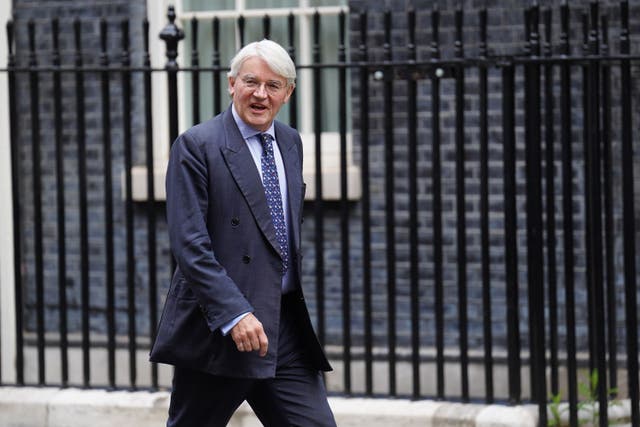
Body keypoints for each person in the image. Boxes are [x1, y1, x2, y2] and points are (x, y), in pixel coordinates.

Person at [149, 39, 337, 427]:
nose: (260, 94)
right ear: (231, 83)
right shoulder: (197, 145)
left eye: (273, 85)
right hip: (219, 328)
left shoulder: (290, 142)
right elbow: (190, 245)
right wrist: (234, 313)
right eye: (251, 82)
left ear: (288, 92)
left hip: (282, 327)